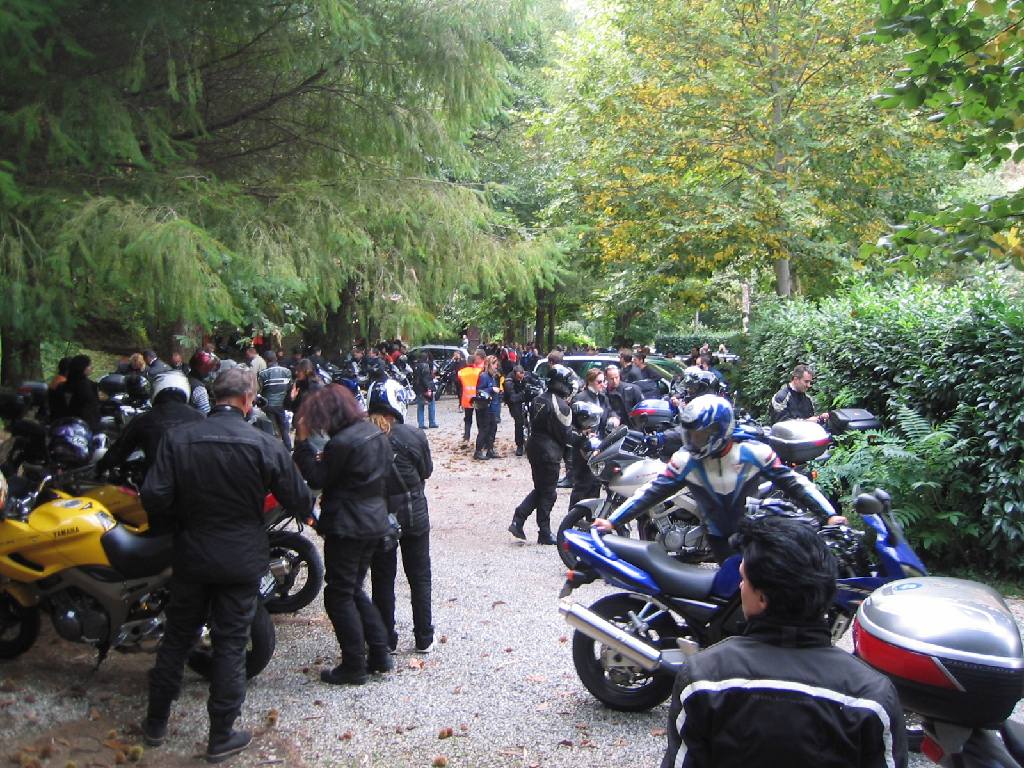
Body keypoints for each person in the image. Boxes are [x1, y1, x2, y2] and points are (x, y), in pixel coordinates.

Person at [140, 367, 312, 763]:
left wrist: (180, 519)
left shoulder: (179, 438)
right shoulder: (262, 443)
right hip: (240, 556)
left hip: (192, 552)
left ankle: (155, 722)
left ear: (214, 395)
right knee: (231, 643)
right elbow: (299, 498)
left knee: (177, 637)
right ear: (249, 399)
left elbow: (153, 495)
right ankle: (220, 735)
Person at [659, 515, 908, 768]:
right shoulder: (872, 696)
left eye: (744, 579)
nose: (741, 586)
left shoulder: (702, 679)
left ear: (762, 598)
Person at [594, 395, 845, 563]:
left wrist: (829, 515)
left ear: (721, 430)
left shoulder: (754, 453)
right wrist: (612, 521)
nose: (694, 441)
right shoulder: (686, 461)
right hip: (717, 541)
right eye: (690, 434)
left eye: (701, 435)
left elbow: (795, 483)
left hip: (752, 539)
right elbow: (651, 491)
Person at [292, 385, 395, 685]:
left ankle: (354, 664)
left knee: (338, 594)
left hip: (348, 525)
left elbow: (316, 478)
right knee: (351, 589)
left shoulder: (342, 443)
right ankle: (379, 653)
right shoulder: (375, 434)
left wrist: (302, 442)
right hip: (374, 521)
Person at [366, 379, 435, 654]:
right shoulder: (413, 436)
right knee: (419, 577)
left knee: (382, 579)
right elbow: (426, 470)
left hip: (379, 516)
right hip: (413, 512)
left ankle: (385, 639)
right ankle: (424, 636)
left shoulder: (362, 437)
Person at [508, 365, 586, 545]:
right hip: (549, 453)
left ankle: (518, 520)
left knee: (542, 489)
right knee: (548, 493)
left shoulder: (538, 399)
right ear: (561, 384)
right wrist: (582, 437)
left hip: (534, 447)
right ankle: (543, 532)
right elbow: (566, 435)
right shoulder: (561, 406)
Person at [97, 371, 204, 476]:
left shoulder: (144, 418)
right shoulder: (200, 418)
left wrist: (98, 469)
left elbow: (119, 451)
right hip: (195, 479)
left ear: (156, 390)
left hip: (157, 480)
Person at [568, 368, 610, 508]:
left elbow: (608, 414)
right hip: (583, 446)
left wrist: (613, 419)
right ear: (590, 381)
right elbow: (571, 423)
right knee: (582, 484)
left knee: (595, 483)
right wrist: (582, 433)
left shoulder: (602, 397)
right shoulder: (580, 398)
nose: (603, 384)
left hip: (598, 445)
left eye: (603, 381)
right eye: (599, 382)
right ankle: (574, 515)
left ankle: (591, 515)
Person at [472, 355, 502, 460]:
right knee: (484, 429)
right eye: (495, 364)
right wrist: (491, 389)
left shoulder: (492, 376)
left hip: (491, 407)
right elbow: (479, 391)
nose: (496, 367)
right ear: (489, 365)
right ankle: (478, 451)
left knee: (493, 428)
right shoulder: (483, 376)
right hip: (484, 408)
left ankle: (490, 450)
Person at [457, 350, 485, 444]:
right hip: (477, 398)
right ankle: (481, 438)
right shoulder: (479, 371)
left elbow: (458, 384)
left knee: (468, 419)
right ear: (474, 362)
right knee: (479, 419)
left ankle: (466, 437)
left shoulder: (461, 372)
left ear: (466, 362)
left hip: (466, 399)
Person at [503, 365, 529, 456]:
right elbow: (513, 398)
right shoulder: (508, 382)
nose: (521, 379)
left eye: (522, 376)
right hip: (514, 402)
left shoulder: (526, 375)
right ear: (515, 374)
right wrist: (524, 393)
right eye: (519, 377)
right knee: (519, 422)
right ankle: (519, 445)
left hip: (524, 398)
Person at [411, 351, 438, 429]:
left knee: (420, 406)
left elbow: (415, 378)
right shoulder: (425, 366)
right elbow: (426, 379)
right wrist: (429, 388)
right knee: (431, 404)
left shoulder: (415, 366)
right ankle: (432, 422)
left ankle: (421, 423)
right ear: (426, 358)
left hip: (418, 388)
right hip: (425, 388)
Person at [187, 350, 216, 415]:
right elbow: (206, 412)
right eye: (209, 369)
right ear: (202, 368)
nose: (210, 371)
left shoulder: (185, 378)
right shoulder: (199, 389)